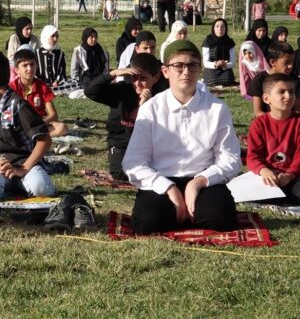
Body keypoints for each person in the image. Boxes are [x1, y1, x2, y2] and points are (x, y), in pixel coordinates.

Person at [123, 39, 240, 234]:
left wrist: (199, 182)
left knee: (222, 218)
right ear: (166, 71)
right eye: (178, 66)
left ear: (200, 70)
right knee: (146, 222)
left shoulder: (217, 109)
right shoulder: (150, 109)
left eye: (192, 66)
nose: (186, 72)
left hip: (203, 181)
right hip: (161, 180)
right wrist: (168, 188)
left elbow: (230, 158)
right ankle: (182, 211)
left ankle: (190, 211)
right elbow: (133, 162)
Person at [0, 52, 55, 199]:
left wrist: (23, 169)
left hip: (25, 165)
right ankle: (12, 187)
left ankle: (20, 184)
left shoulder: (19, 105)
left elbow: (44, 139)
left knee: (40, 188)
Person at [85, 54, 166, 181]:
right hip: (121, 142)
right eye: (134, 78)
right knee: (121, 173)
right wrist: (112, 74)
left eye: (143, 78)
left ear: (156, 77)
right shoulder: (122, 91)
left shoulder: (161, 96)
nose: (137, 83)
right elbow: (90, 91)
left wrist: (146, 106)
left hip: (149, 144)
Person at [247, 73, 300, 204]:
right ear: (266, 98)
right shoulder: (259, 124)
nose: (288, 96)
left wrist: (289, 174)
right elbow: (252, 156)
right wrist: (263, 170)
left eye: (291, 92)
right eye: (281, 92)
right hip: (267, 177)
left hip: (293, 176)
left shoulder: (298, 122)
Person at [10, 47, 68, 138]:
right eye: (25, 65)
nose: (29, 68)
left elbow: (53, 114)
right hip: (19, 124)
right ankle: (34, 137)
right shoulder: (11, 88)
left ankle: (31, 137)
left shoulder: (42, 86)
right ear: (17, 70)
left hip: (38, 124)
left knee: (62, 127)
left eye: (32, 64)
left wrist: (42, 122)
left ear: (36, 66)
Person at [247, 42, 300, 116]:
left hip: (290, 122)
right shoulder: (259, 80)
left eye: (292, 62)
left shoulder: (296, 81)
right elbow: (258, 112)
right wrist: (274, 123)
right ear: (273, 62)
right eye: (286, 63)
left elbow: (297, 111)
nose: (290, 66)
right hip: (266, 122)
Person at [201, 18, 237, 87]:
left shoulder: (229, 42)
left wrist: (225, 65)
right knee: (212, 80)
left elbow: (232, 62)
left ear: (226, 29)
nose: (220, 29)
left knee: (228, 79)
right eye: (217, 26)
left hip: (225, 69)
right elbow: (205, 63)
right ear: (213, 28)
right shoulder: (208, 41)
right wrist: (215, 64)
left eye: (222, 26)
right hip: (211, 68)